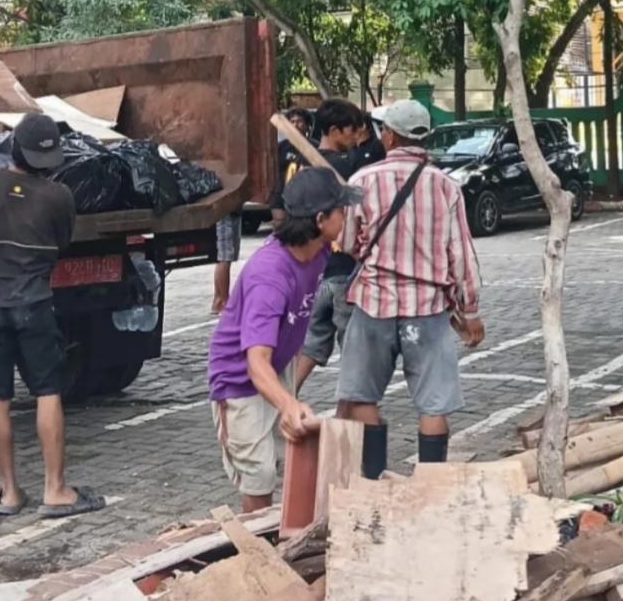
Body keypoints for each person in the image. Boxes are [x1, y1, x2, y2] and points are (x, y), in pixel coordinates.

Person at [0, 113, 105, 518]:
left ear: (13, 149)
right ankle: (55, 490)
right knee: (47, 391)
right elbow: (61, 243)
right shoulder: (59, 197)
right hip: (34, 304)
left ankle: (10, 493)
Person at [335, 100, 485, 478]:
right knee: (433, 407)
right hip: (430, 310)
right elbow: (461, 255)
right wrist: (470, 311)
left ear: (390, 135)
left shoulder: (359, 183)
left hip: (373, 304)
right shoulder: (447, 187)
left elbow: (349, 242)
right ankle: (430, 488)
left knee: (363, 397)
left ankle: (373, 479)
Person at [208, 167, 363, 513]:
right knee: (258, 475)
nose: (347, 215)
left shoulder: (319, 249)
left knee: (286, 455)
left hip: (278, 365)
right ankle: (258, 551)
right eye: (342, 210)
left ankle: (288, 535)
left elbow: (359, 240)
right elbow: (255, 362)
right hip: (240, 380)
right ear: (320, 219)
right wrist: (288, 404)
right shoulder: (270, 276)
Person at [293, 99, 365, 390]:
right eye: (351, 130)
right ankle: (353, 407)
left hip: (310, 269)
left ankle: (285, 397)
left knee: (311, 343)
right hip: (341, 268)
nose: (355, 137)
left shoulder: (298, 162)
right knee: (354, 349)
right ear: (334, 130)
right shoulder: (339, 168)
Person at [270, 107, 313, 227]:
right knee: (280, 228)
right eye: (292, 121)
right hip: (282, 194)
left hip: (306, 198)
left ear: (307, 125)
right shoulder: (281, 148)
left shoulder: (315, 148)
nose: (295, 125)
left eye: (299, 121)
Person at [211, 213, 243, 314]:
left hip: (232, 211)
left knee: (226, 257)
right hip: (224, 214)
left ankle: (219, 300)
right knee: (224, 257)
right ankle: (224, 301)